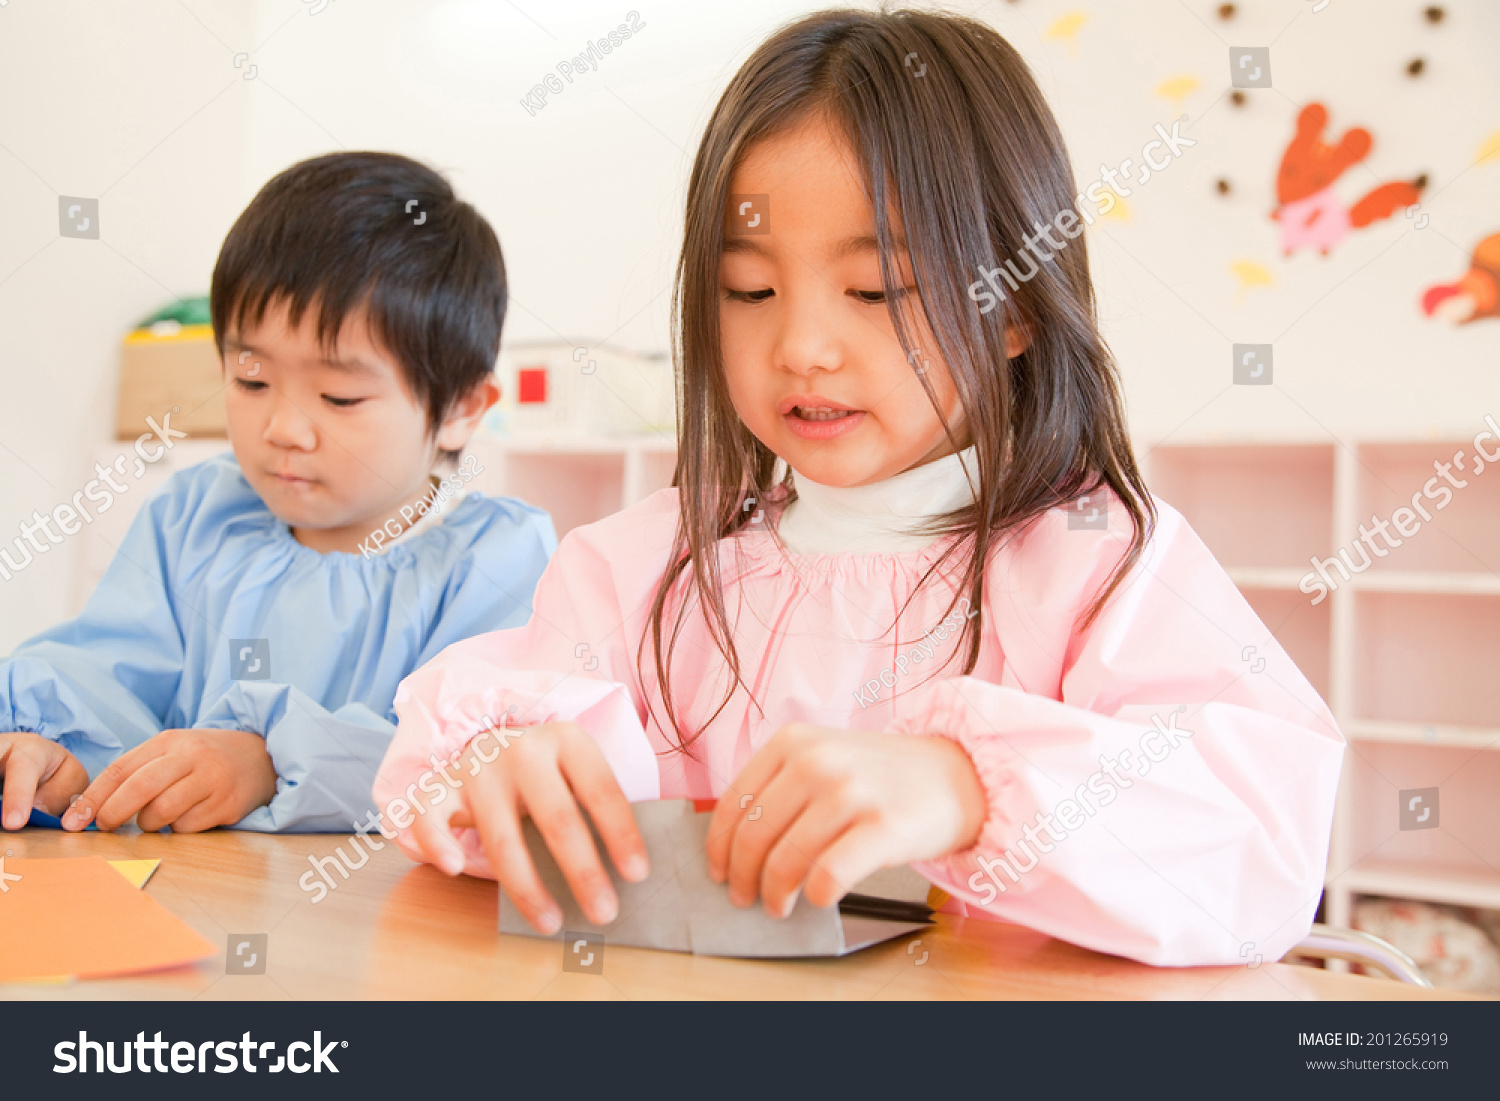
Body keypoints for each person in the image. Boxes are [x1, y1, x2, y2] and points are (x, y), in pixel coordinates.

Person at [373, 10, 1343, 966]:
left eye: (876, 291)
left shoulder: (1101, 564)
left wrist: (967, 787)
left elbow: (1263, 841)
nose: (800, 347)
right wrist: (491, 765)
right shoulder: (643, 567)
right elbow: (444, 768)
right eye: (749, 290)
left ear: (1013, 311)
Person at [0, 152, 554, 834]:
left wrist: (271, 760)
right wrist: (58, 754)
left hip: (368, 924)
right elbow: (106, 680)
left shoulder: (496, 561)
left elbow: (463, 761)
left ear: (462, 407)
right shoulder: (194, 517)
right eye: (252, 380)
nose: (284, 428)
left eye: (340, 395)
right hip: (182, 898)